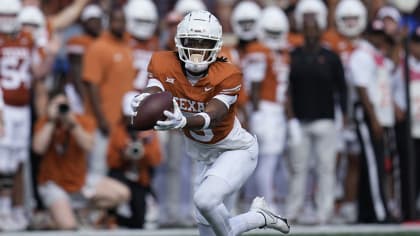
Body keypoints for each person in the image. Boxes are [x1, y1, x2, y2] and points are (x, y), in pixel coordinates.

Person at [131, 10, 290, 236]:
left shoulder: (227, 72)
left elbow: (211, 115)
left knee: (205, 201)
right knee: (208, 231)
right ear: (179, 42)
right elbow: (155, 87)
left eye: (203, 43)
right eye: (191, 42)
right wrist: (144, 99)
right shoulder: (162, 62)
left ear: (216, 46)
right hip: (203, 155)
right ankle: (259, 217)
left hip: (235, 150)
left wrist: (183, 120)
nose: (196, 50)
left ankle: (259, 217)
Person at [286, 0, 348, 225]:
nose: (311, 33)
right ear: (302, 31)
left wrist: (345, 116)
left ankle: (325, 211)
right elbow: (288, 89)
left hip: (326, 119)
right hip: (301, 120)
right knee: (298, 168)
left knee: (326, 167)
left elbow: (342, 89)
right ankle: (294, 210)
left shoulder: (331, 57)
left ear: (320, 30)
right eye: (307, 29)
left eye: (314, 29)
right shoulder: (293, 56)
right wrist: (290, 117)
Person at [32, 92, 130, 230]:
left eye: (64, 105)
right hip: (53, 184)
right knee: (69, 226)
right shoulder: (44, 121)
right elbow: (38, 148)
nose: (61, 109)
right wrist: (51, 122)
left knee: (122, 193)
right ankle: (50, 218)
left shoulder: (82, 121)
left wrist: (73, 125)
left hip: (79, 182)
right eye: (56, 105)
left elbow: (88, 146)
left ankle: (80, 212)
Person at [0, 0, 57, 231]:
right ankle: (3, 210)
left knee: (16, 160)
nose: (8, 20)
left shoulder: (27, 38)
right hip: (5, 106)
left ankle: (13, 209)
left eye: (12, 15)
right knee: (3, 161)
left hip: (22, 109)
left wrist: (51, 54)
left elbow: (37, 72)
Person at [348, 19, 395, 223]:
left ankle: (366, 213)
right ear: (368, 35)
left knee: (372, 165)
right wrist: (374, 118)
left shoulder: (376, 55)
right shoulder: (361, 54)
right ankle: (380, 212)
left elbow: (392, 68)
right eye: (375, 35)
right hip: (367, 115)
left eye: (381, 35)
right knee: (375, 166)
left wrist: (396, 43)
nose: (379, 39)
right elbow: (361, 88)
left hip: (378, 116)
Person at [83, 7, 136, 176]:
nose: (120, 25)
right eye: (116, 20)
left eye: (123, 21)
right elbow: (91, 86)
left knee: (120, 171)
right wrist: (101, 119)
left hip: (122, 124)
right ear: (108, 22)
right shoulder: (98, 47)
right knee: (98, 170)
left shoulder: (127, 47)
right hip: (103, 123)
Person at [107, 91, 162, 228]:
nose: (131, 119)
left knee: (139, 221)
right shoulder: (118, 131)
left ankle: (119, 220)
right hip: (121, 175)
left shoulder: (149, 131)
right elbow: (110, 160)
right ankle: (110, 218)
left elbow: (156, 159)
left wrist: (144, 153)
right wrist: (123, 155)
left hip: (140, 178)